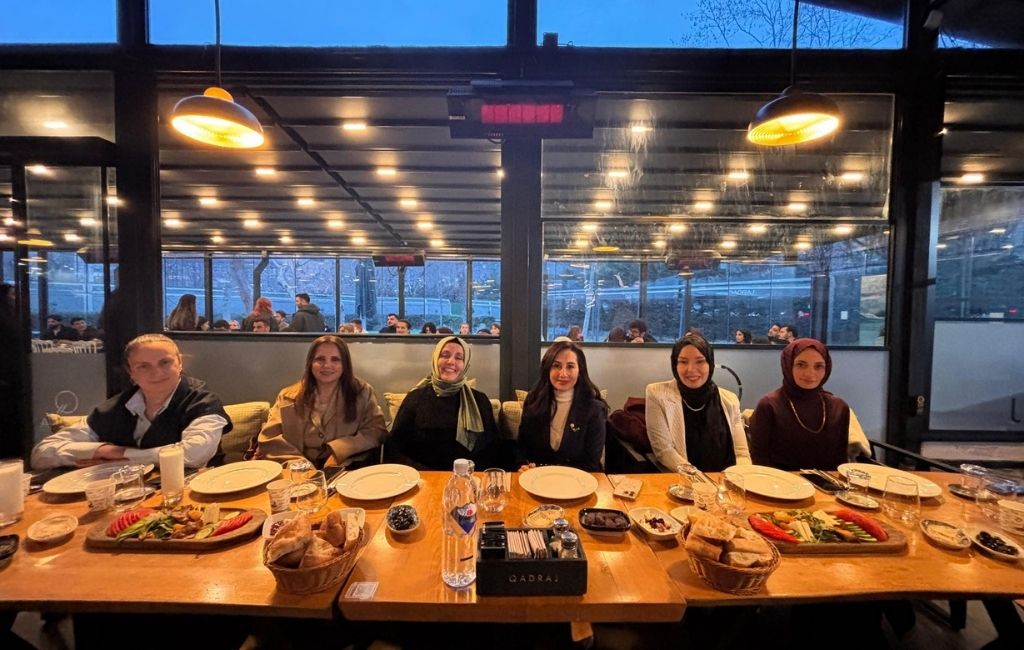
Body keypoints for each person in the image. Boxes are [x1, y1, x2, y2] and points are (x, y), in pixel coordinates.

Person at [31, 334, 232, 469]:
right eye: (144, 366)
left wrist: (120, 456)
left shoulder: (202, 401)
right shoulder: (114, 408)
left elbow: (193, 455)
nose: (156, 372)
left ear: (179, 363)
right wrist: (101, 451)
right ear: (131, 373)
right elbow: (41, 454)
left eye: (165, 362)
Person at [255, 335, 387, 469]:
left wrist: (339, 451)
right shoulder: (287, 397)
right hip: (295, 473)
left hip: (345, 469)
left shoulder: (362, 393)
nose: (327, 365)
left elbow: (376, 431)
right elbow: (270, 439)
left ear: (345, 365)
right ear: (310, 363)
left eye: (335, 359)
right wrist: (302, 467)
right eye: (320, 359)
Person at [387, 336, 500, 470]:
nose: (451, 362)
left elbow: (493, 447)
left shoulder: (479, 400)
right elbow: (395, 448)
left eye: (459, 358)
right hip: (425, 477)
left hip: (470, 477)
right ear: (435, 359)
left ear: (465, 365)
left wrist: (472, 476)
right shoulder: (415, 398)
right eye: (445, 355)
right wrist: (428, 475)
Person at [645, 335, 750, 472]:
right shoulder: (657, 394)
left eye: (700, 361)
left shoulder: (730, 400)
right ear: (675, 364)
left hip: (728, 480)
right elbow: (664, 451)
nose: (691, 369)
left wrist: (740, 478)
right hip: (686, 480)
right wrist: (700, 480)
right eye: (683, 362)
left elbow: (742, 454)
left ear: (710, 364)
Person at [749, 338, 852, 471]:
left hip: (828, 481)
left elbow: (840, 460)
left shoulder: (839, 408)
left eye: (818, 366)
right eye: (801, 365)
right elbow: (760, 460)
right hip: (780, 480)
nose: (810, 373)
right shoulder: (769, 405)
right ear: (788, 365)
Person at [516, 340, 607, 472]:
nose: (563, 374)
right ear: (547, 369)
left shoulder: (594, 409)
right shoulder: (533, 400)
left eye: (570, 366)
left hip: (579, 479)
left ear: (580, 371)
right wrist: (523, 465)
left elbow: (591, 463)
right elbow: (522, 447)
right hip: (538, 478)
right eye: (556, 366)